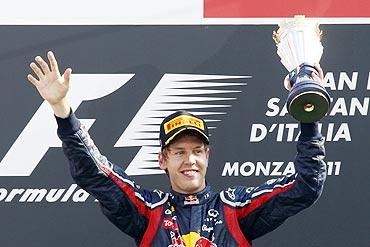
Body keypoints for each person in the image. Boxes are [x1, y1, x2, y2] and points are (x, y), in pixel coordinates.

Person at [27, 51, 326, 247]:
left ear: (207, 156)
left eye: (197, 150)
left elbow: (305, 187)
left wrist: (308, 115)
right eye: (179, 152)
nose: (190, 160)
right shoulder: (147, 209)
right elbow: (95, 173)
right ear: (162, 160)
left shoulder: (235, 208)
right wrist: (62, 109)